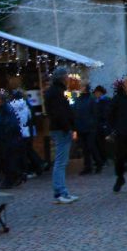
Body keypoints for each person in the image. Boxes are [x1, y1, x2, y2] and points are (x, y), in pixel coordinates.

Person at [44, 67, 79, 204]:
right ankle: (60, 192)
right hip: (61, 130)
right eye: (66, 77)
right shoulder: (56, 93)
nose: (68, 79)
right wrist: (68, 128)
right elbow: (60, 113)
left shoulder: (55, 92)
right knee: (60, 162)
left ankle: (61, 191)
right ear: (62, 78)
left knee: (61, 162)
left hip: (60, 128)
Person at [0, 90, 24, 189]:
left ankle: (9, 180)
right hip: (6, 139)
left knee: (7, 160)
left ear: (1, 100)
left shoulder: (6, 109)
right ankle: (16, 177)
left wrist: (3, 132)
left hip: (8, 139)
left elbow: (11, 124)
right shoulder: (3, 109)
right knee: (7, 160)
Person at [74, 85, 101, 175]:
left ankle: (98, 163)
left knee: (91, 146)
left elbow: (95, 113)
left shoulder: (91, 99)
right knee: (85, 148)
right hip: (81, 126)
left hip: (89, 126)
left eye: (82, 86)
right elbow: (76, 112)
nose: (80, 87)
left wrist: (93, 124)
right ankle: (88, 166)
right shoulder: (78, 99)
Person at [92, 86, 111, 171]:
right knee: (98, 143)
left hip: (102, 125)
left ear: (100, 92)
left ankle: (103, 159)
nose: (95, 94)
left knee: (101, 143)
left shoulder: (104, 101)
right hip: (98, 125)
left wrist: (105, 124)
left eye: (96, 93)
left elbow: (105, 114)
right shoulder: (97, 101)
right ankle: (101, 159)